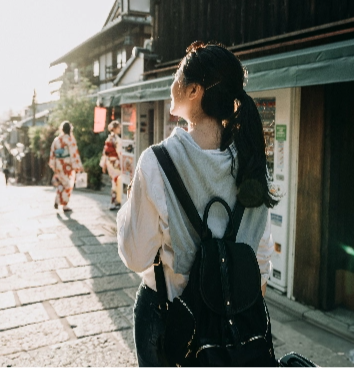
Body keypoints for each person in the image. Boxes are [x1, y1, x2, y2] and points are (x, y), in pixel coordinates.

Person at [117, 41, 275, 368]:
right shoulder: (252, 163)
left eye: (176, 74)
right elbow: (260, 264)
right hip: (239, 326)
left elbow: (135, 256)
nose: (171, 82)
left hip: (170, 318)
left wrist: (127, 206)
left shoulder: (157, 162)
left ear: (194, 91)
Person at [48, 120, 83, 212]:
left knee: (61, 183)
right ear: (70, 129)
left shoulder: (56, 140)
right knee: (68, 185)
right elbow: (74, 154)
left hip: (58, 164)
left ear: (62, 129)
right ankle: (64, 205)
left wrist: (53, 164)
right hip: (67, 165)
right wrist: (78, 166)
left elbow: (52, 153)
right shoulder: (70, 139)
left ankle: (57, 199)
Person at [100, 120, 123, 211]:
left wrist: (104, 165)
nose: (120, 129)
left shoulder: (109, 139)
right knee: (117, 182)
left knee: (114, 182)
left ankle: (115, 201)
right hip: (116, 163)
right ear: (115, 128)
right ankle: (115, 202)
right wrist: (123, 164)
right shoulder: (117, 139)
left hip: (110, 163)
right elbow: (120, 153)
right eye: (119, 128)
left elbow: (105, 153)